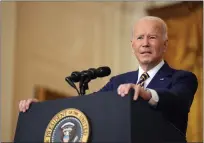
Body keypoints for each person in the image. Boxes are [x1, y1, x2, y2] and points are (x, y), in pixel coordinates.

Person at [19, 16, 198, 136]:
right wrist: (40, 110)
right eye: (140, 38)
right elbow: (88, 106)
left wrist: (146, 93)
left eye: (152, 37)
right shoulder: (118, 82)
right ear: (132, 45)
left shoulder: (182, 78)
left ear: (165, 44)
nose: (145, 43)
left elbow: (178, 100)